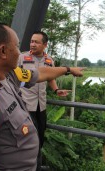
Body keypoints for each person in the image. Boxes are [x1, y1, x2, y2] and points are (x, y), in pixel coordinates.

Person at [0, 22, 83, 171]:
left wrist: (68, 69)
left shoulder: (9, 75)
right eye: (17, 46)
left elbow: (41, 73)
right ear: (3, 51)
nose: (20, 52)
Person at [18, 31, 71, 170]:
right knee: (30, 139)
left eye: (36, 42)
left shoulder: (49, 60)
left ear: (45, 45)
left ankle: (36, 165)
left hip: (41, 106)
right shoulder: (21, 57)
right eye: (31, 41)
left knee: (40, 137)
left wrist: (56, 90)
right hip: (25, 105)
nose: (32, 44)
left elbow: (50, 77)